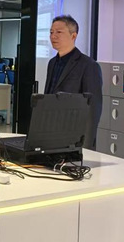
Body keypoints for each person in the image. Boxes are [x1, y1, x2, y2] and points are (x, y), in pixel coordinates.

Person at [44, 15, 103, 150]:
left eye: (59, 32)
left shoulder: (88, 65)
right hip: (51, 132)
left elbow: (93, 109)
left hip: (74, 137)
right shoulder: (52, 63)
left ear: (73, 36)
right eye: (51, 32)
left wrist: (86, 146)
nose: (53, 36)